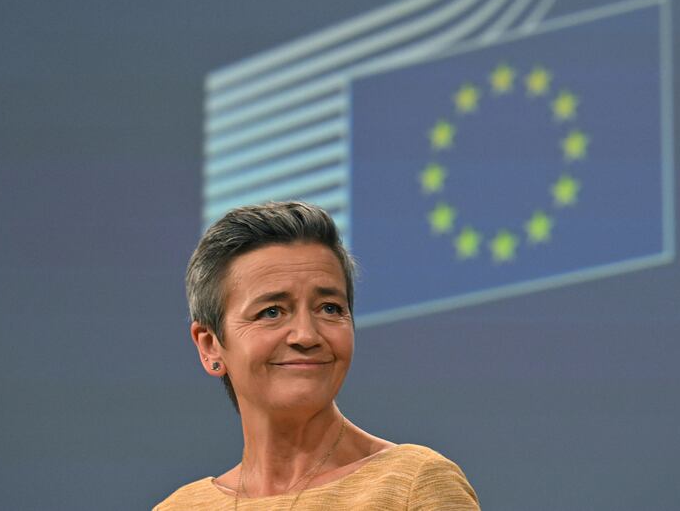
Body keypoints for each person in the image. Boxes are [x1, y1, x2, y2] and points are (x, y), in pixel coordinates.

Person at [154, 201, 480, 510]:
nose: (307, 335)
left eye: (329, 308)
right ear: (210, 345)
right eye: (271, 312)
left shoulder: (415, 485)